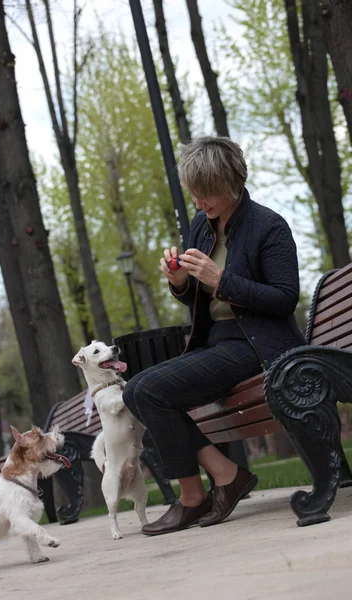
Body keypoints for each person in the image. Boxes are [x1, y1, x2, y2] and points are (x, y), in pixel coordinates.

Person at [123, 136, 306, 536]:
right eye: (195, 193)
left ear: (231, 182)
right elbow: (197, 298)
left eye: (207, 194)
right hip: (218, 342)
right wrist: (180, 282)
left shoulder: (268, 226)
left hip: (257, 344)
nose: (199, 202)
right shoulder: (201, 226)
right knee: (135, 390)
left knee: (151, 391)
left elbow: (284, 298)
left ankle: (194, 497)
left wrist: (222, 279)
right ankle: (223, 475)